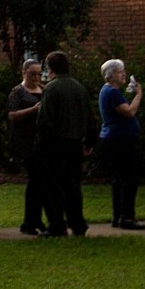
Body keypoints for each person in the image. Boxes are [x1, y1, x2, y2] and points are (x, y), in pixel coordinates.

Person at [36, 51, 95, 237]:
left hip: (55, 144)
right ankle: (77, 223)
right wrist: (90, 140)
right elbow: (90, 117)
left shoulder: (52, 89)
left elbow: (45, 121)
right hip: (75, 143)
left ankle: (56, 224)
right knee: (73, 185)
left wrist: (41, 143)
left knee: (54, 186)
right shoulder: (79, 88)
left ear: (50, 68)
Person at [97, 58, 144, 230]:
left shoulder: (108, 91)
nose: (123, 74)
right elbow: (129, 112)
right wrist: (138, 95)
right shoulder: (113, 93)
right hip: (121, 139)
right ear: (110, 75)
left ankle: (118, 216)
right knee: (129, 178)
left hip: (112, 138)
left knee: (118, 179)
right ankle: (127, 217)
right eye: (119, 71)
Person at [5, 58, 46, 234]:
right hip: (25, 142)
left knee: (41, 182)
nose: (36, 77)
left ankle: (36, 219)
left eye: (38, 73)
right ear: (24, 73)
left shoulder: (44, 90)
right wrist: (33, 110)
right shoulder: (18, 92)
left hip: (41, 141)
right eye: (32, 74)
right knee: (35, 180)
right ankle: (30, 221)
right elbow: (12, 115)